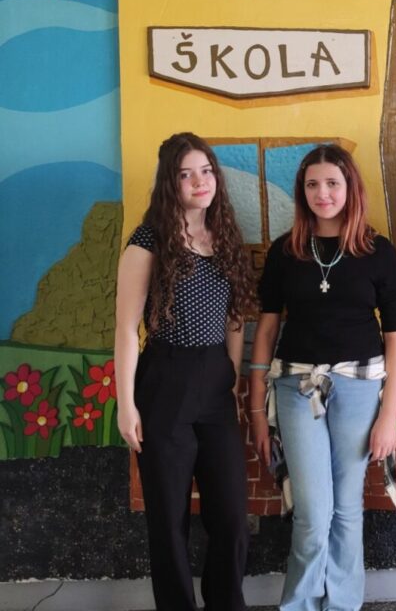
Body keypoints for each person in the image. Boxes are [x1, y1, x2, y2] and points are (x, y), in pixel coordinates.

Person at [248, 144, 396, 611]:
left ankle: (342, 604)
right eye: (312, 184)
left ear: (350, 187)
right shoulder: (286, 251)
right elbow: (267, 330)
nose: (323, 194)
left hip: (360, 388)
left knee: (347, 509)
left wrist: (389, 417)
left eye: (332, 183)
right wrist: (256, 410)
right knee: (313, 513)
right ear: (302, 191)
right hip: (296, 388)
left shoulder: (379, 252)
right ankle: (299, 604)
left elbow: (395, 340)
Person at [114, 132, 256, 611]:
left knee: (231, 518)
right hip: (164, 382)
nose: (200, 181)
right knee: (169, 520)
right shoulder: (148, 241)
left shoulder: (225, 237)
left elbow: (235, 316)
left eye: (206, 171)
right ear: (169, 183)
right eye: (186, 174)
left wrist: (231, 373)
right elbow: (127, 329)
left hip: (215, 384)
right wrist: (126, 405)